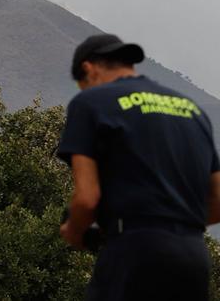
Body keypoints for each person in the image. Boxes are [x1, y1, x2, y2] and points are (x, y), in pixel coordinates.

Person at [58, 33, 220, 300]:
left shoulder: (90, 102)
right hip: (192, 256)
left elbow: (87, 199)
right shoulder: (192, 110)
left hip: (134, 252)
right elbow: (217, 202)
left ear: (88, 69)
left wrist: (74, 231)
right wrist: (171, 224)